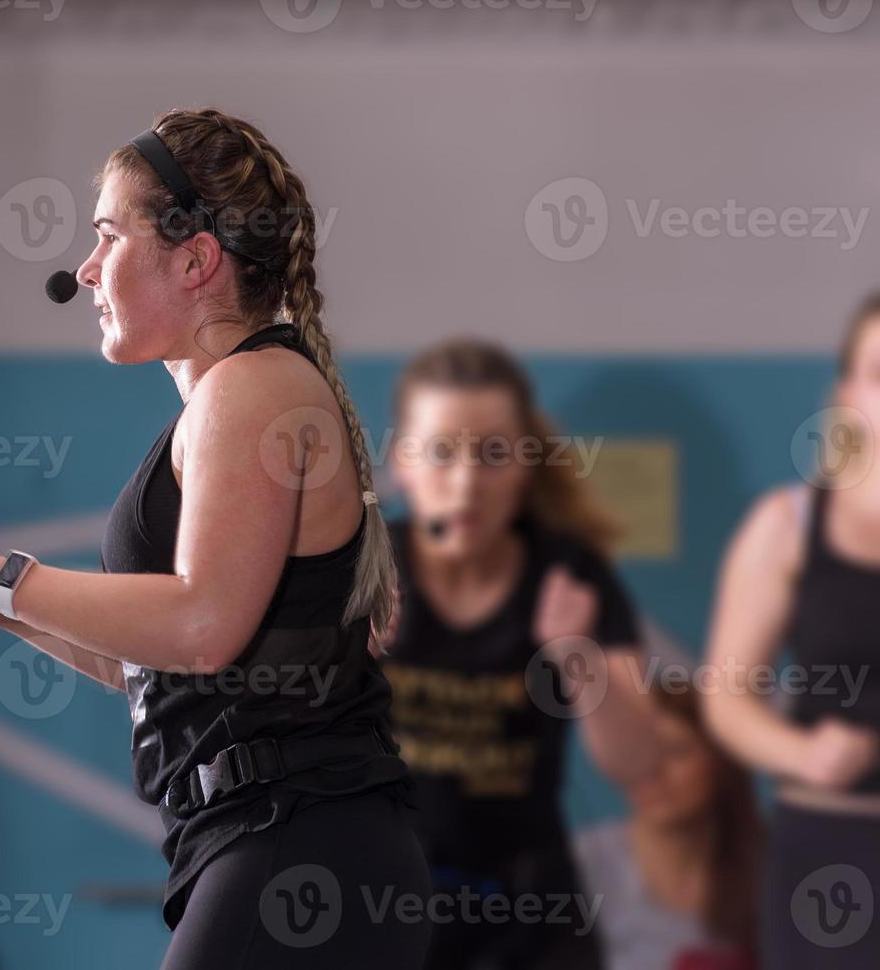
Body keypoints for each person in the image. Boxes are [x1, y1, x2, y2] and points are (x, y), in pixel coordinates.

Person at [0, 108, 431, 969]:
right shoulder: (236, 396)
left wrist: (0, 574)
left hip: (296, 846)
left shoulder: (249, 390)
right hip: (273, 844)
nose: (84, 269)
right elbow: (153, 662)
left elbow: (200, 625)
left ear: (194, 260)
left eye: (108, 235)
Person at [376, 338, 658, 970]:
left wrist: (576, 656)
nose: (467, 482)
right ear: (401, 463)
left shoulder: (568, 574)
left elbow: (638, 759)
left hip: (529, 911)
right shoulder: (363, 573)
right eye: (442, 452)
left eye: (494, 454)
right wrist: (344, 659)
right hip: (380, 901)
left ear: (525, 465)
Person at [702, 292, 880, 969]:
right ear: (845, 394)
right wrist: (801, 754)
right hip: (829, 855)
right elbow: (725, 698)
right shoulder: (786, 525)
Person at [576, 678, 762, 970]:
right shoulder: (580, 866)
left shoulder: (773, 866)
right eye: (638, 751)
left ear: (721, 760)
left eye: (675, 751)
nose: (652, 770)